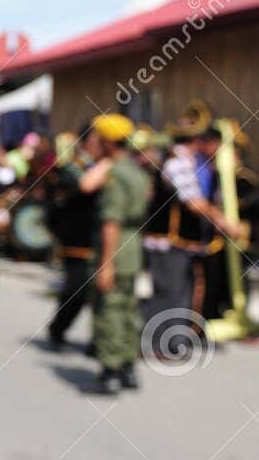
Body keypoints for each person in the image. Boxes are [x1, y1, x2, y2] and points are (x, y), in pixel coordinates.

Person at [143, 117, 241, 358]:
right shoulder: (177, 163)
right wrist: (223, 221)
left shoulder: (194, 162)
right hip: (168, 240)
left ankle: (172, 342)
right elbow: (193, 203)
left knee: (182, 292)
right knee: (169, 292)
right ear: (198, 140)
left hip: (184, 242)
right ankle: (157, 344)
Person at [89, 114, 151, 395]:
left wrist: (106, 263)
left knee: (110, 310)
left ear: (107, 143)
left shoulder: (114, 175)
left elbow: (111, 222)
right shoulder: (138, 172)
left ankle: (110, 371)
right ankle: (128, 367)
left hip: (117, 246)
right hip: (134, 245)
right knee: (128, 308)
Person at [45, 124, 110, 351]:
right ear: (86, 142)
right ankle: (58, 328)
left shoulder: (103, 166)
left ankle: (98, 341)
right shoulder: (74, 166)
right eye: (96, 140)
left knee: (101, 293)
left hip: (99, 237)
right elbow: (83, 186)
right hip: (77, 237)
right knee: (77, 290)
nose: (100, 145)